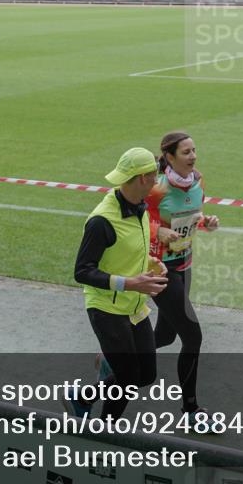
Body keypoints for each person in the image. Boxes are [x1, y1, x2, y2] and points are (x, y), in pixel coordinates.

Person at [66, 147, 168, 420]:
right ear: (143, 178)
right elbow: (82, 271)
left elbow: (129, 250)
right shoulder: (102, 221)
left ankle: (81, 397)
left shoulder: (140, 208)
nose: (157, 180)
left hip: (134, 306)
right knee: (127, 377)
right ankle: (106, 433)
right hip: (106, 308)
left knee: (145, 375)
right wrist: (130, 283)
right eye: (154, 176)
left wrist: (152, 262)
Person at [144, 131, 220, 422]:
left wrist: (205, 222)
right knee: (193, 337)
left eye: (194, 150)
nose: (193, 156)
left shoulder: (197, 181)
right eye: (186, 152)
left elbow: (190, 215)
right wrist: (158, 230)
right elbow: (140, 219)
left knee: (164, 335)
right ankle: (191, 410)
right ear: (169, 157)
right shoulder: (156, 188)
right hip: (160, 268)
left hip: (184, 264)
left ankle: (109, 366)